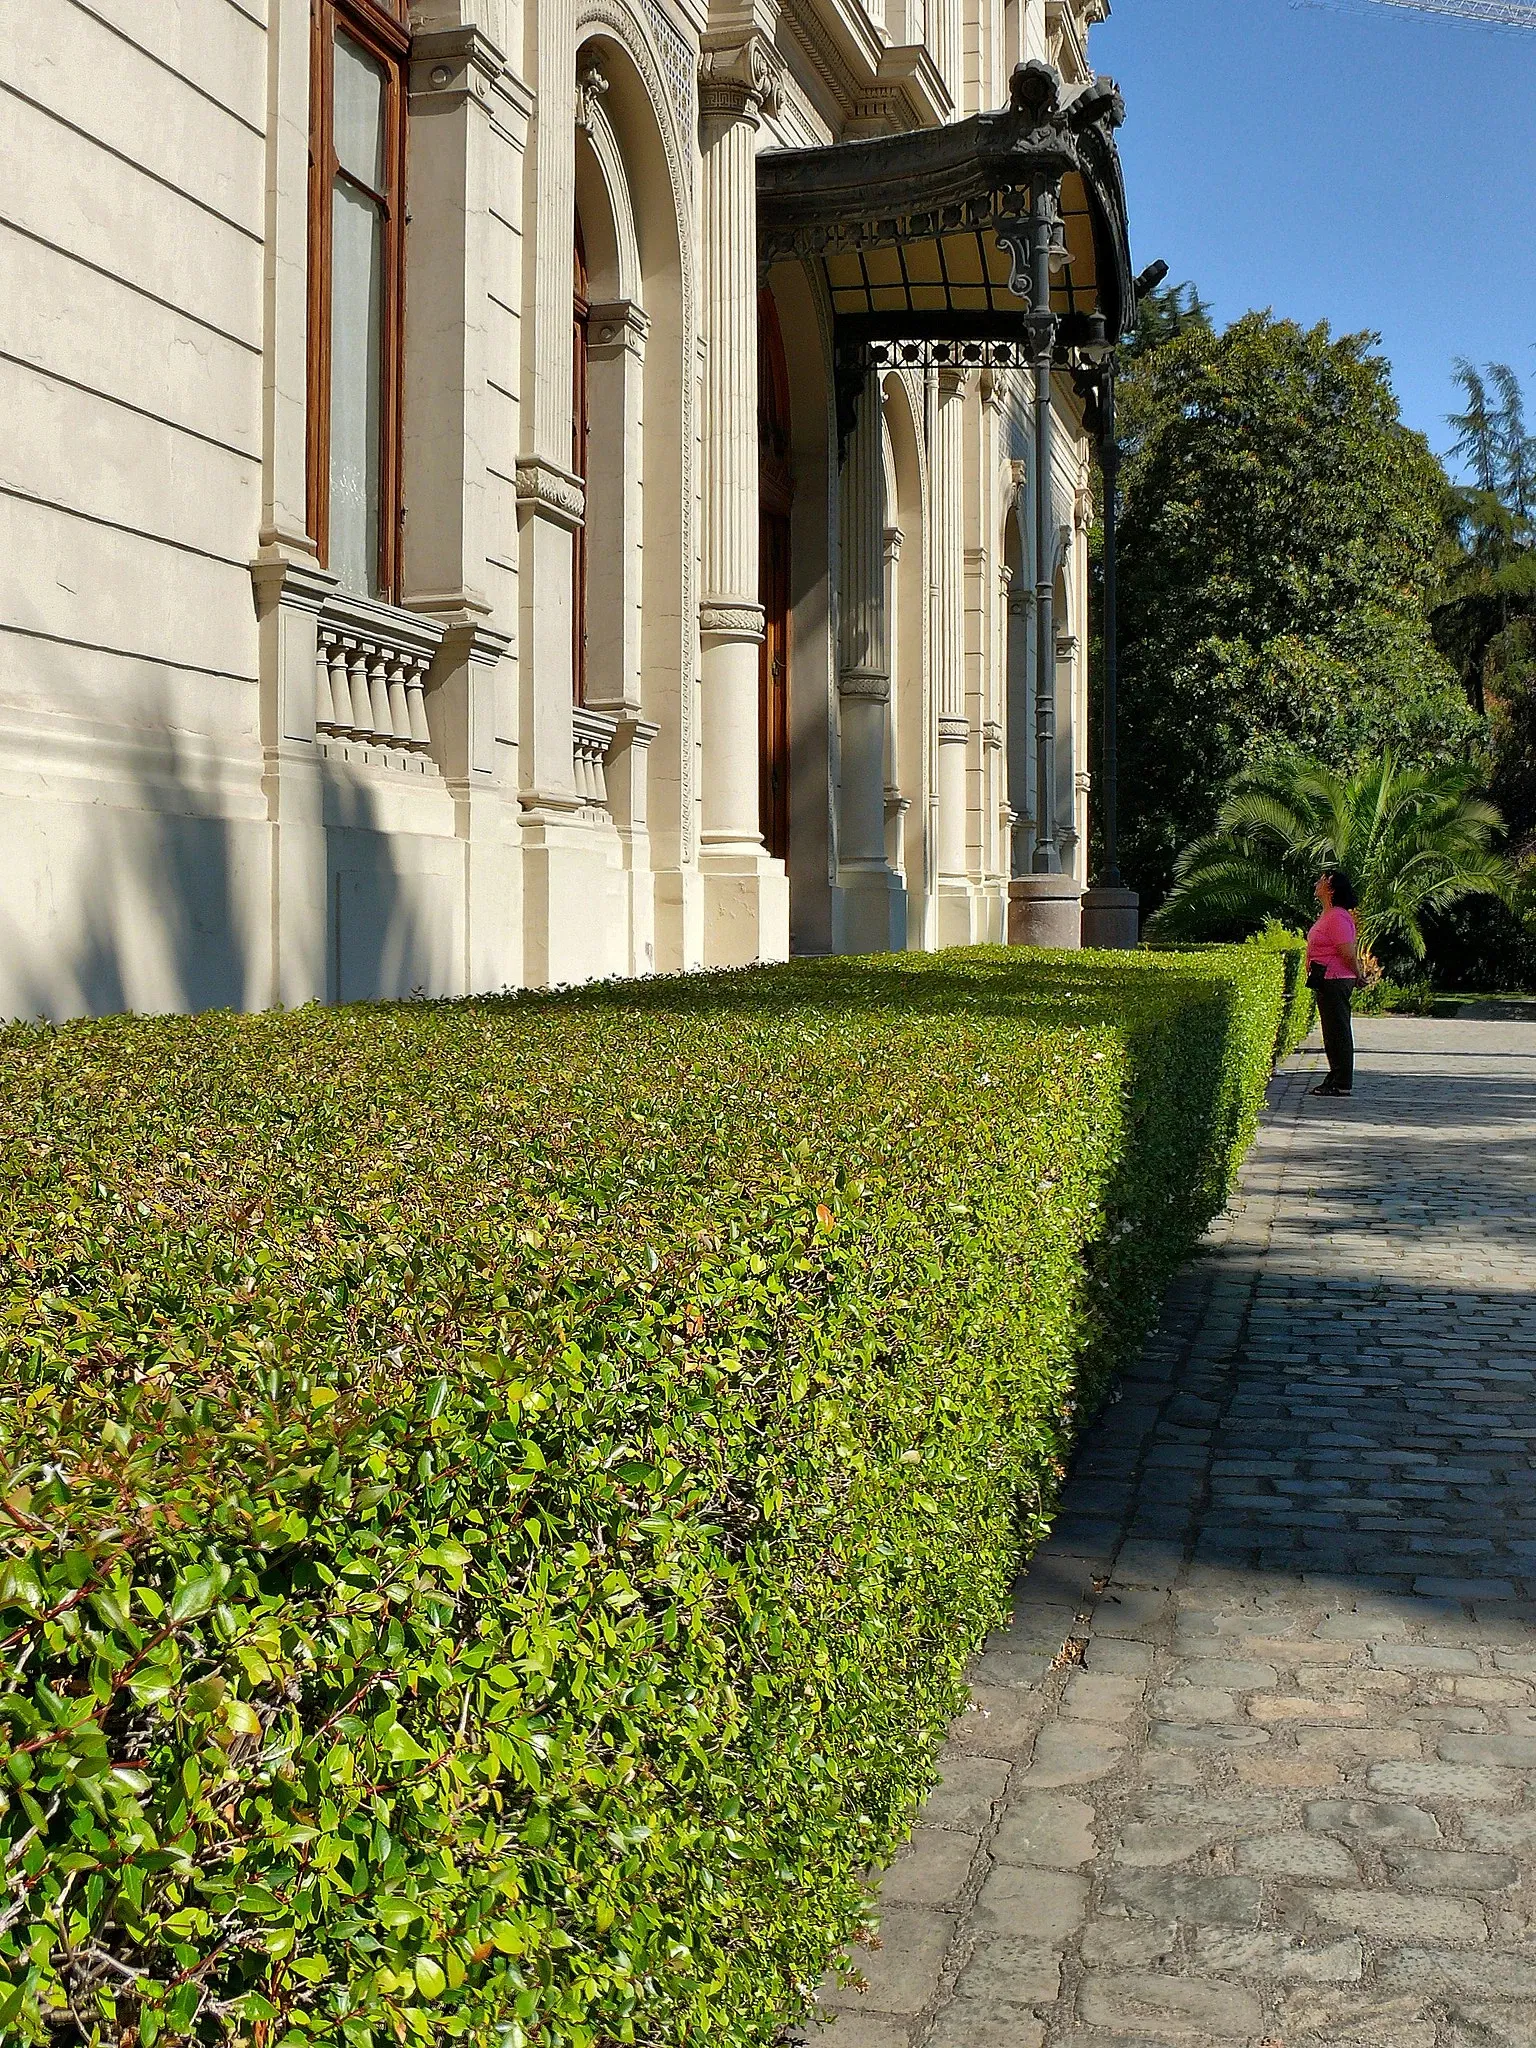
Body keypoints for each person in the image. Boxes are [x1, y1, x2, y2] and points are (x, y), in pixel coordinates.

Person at [1305, 868, 1361, 1098]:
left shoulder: (1337, 916)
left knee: (1337, 1030)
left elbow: (1346, 951)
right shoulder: (1329, 915)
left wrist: (1358, 975)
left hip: (1335, 979)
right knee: (1332, 1031)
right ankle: (1335, 1076)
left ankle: (1341, 1081)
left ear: (1331, 887)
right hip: (1325, 979)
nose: (1317, 882)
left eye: (1323, 879)